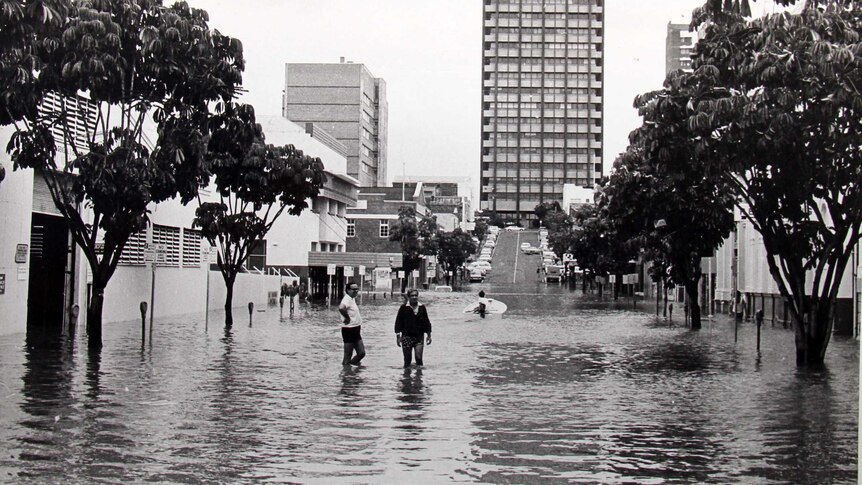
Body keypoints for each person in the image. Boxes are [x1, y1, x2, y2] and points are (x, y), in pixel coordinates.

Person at [394, 289, 432, 368]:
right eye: (412, 296)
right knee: (407, 360)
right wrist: (398, 337)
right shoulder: (403, 308)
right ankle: (407, 378)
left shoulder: (422, 307)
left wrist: (429, 335)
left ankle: (419, 377)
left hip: (419, 336)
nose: (414, 297)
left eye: (416, 295)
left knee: (419, 358)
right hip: (406, 336)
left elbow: (427, 322)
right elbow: (398, 322)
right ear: (408, 297)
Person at [338, 282, 365, 366]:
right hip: (349, 330)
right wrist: (347, 318)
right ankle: (346, 373)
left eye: (357, 289)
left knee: (361, 353)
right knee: (347, 356)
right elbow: (341, 308)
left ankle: (351, 371)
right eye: (353, 289)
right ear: (348, 290)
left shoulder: (352, 298)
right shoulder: (347, 299)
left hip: (356, 328)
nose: (356, 291)